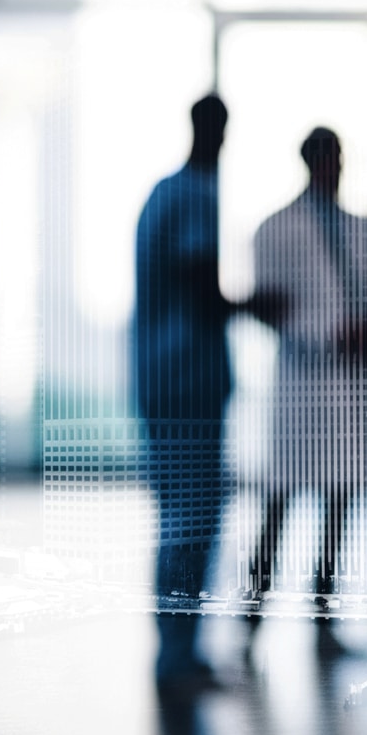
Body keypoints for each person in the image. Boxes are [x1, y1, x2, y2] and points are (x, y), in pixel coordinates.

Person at [250, 127, 367, 654]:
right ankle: (251, 619)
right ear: (311, 162)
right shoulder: (276, 230)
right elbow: (271, 309)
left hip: (349, 391)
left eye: (341, 157)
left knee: (339, 506)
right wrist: (330, 333)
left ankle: (323, 621)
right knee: (279, 504)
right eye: (329, 158)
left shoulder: (359, 229)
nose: (337, 167)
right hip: (305, 387)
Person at [133, 94, 234, 696]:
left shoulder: (159, 195)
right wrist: (259, 306)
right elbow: (202, 283)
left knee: (177, 513)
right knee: (193, 517)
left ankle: (176, 651)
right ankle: (178, 654)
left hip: (159, 379)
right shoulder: (197, 194)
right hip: (189, 382)